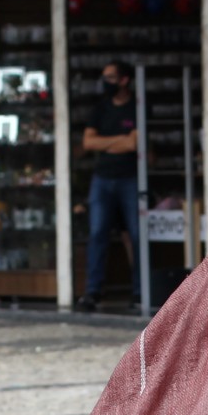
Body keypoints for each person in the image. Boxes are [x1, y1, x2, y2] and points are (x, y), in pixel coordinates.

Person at [75, 61, 139, 313]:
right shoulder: (100, 108)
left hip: (130, 178)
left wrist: (107, 143)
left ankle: (139, 291)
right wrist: (120, 141)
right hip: (102, 179)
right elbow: (88, 143)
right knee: (97, 234)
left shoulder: (137, 107)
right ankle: (92, 291)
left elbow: (134, 144)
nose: (105, 82)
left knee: (135, 236)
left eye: (110, 77)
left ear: (124, 80)